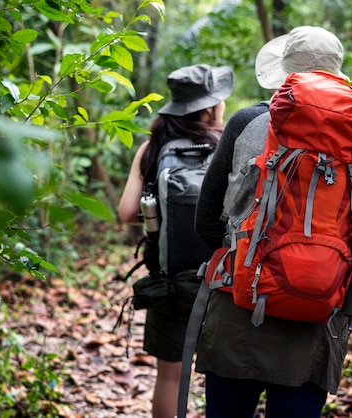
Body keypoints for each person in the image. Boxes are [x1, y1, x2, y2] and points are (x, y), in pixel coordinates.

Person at [194, 26, 352, 417]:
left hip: (238, 304)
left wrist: (244, 256)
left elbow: (205, 219)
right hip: (318, 311)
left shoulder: (246, 122)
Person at [118, 63, 234, 418]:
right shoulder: (227, 145)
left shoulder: (154, 148)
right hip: (222, 281)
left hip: (170, 283)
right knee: (224, 375)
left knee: (169, 376)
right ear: (209, 107)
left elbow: (125, 212)